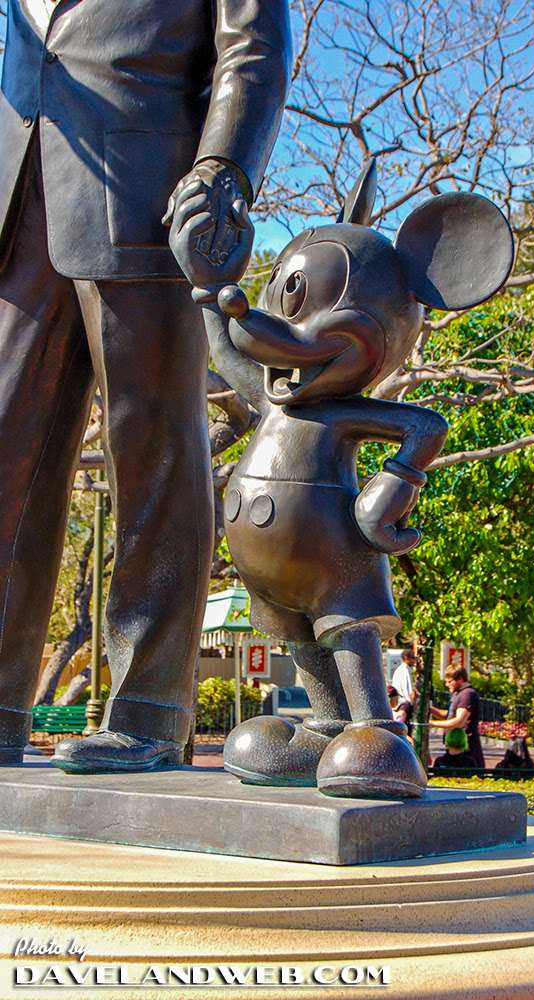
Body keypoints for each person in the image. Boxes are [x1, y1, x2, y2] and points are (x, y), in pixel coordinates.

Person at [0, 0, 292, 770]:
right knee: (6, 450)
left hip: (147, 199)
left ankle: (148, 711)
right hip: (19, 205)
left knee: (152, 445)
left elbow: (253, 47)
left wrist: (224, 167)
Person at [429, 665, 485, 768]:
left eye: (450, 681)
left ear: (460, 679)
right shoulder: (457, 693)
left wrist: (433, 724)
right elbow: (449, 715)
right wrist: (430, 709)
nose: (447, 685)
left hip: (465, 748)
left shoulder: (468, 694)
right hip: (453, 746)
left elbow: (459, 722)